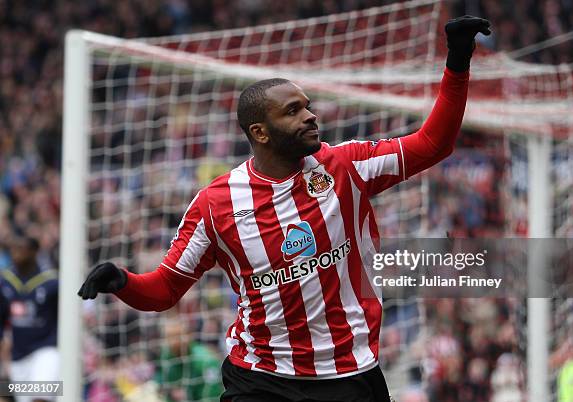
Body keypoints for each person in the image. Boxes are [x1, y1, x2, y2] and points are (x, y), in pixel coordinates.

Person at [78, 15, 491, 401]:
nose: (311, 117)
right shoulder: (215, 205)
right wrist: (122, 282)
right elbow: (166, 289)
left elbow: (434, 143)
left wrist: (457, 62)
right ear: (260, 132)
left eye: (307, 106)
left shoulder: (346, 166)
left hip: (350, 374)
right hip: (261, 376)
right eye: (293, 111)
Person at [0, 235, 59, 402]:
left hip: (46, 350)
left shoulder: (52, 282)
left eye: (21, 249)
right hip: (18, 355)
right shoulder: (5, 282)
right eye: (12, 249)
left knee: (40, 397)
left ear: (34, 252)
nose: (15, 253)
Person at [156, 318, 223, 401]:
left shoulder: (207, 361)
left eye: (177, 336)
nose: (173, 342)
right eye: (169, 337)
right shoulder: (167, 356)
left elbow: (213, 398)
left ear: (189, 336)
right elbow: (159, 380)